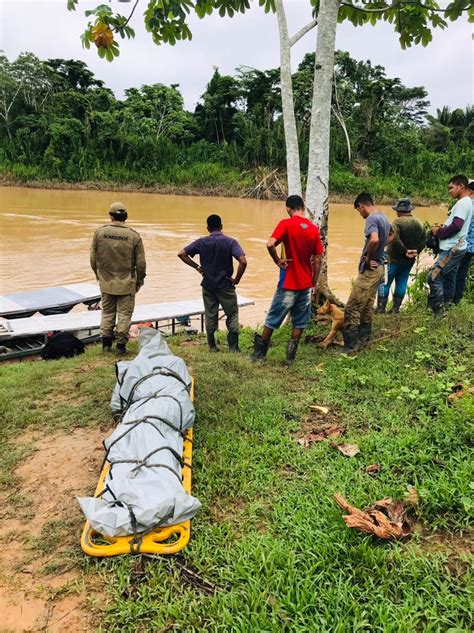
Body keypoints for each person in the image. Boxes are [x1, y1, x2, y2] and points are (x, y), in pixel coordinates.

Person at [251, 195, 323, 366]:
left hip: (288, 283)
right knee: (300, 321)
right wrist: (314, 282)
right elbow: (318, 259)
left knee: (273, 319)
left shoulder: (286, 224)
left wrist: (277, 260)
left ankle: (259, 355)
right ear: (303, 208)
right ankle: (290, 359)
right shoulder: (313, 228)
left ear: (288, 208)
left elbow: (270, 244)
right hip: (305, 285)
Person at [178, 214, 247, 352]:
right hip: (225, 285)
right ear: (221, 226)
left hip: (208, 285)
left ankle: (212, 347)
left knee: (210, 315)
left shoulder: (201, 242)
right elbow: (243, 261)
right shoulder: (230, 242)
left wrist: (198, 267)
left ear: (208, 228)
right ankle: (233, 347)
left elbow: (181, 253)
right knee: (232, 314)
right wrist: (237, 279)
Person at [90, 202, 146, 354]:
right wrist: (140, 280)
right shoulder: (134, 236)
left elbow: (93, 259)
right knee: (124, 314)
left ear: (111, 216)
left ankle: (106, 344)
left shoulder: (100, 233)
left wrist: (98, 276)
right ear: (125, 217)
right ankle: (121, 346)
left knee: (107, 313)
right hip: (127, 282)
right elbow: (141, 263)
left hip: (106, 281)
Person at [342, 192, 392, 353]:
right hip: (380, 269)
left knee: (352, 306)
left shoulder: (371, 219)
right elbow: (392, 234)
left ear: (362, 205)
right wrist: (380, 251)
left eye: (358, 210)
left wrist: (369, 257)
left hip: (370, 270)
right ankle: (364, 339)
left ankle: (350, 346)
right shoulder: (383, 216)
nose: (360, 214)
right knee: (367, 305)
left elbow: (374, 239)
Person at [427, 175, 472, 315]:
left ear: (461, 186)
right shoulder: (466, 202)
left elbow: (457, 225)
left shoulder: (463, 203)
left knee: (434, 276)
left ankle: (438, 311)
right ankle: (448, 307)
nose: (449, 191)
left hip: (452, 248)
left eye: (451, 188)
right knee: (449, 277)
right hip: (457, 246)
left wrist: (439, 232)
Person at [376, 198, 426, 313]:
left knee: (384, 282)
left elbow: (394, 239)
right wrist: (415, 251)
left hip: (393, 258)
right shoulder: (419, 223)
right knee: (402, 281)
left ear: (399, 210)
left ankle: (380, 308)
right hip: (409, 260)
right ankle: (395, 309)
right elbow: (423, 241)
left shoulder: (397, 222)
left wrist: (404, 251)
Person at [453, 180, 474, 303]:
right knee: (462, 274)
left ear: (469, 191)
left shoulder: (467, 205)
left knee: (453, 274)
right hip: (472, 247)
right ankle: (457, 300)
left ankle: (451, 300)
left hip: (462, 245)